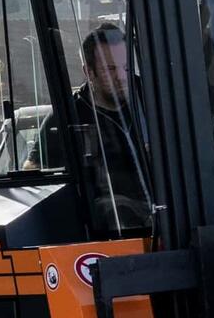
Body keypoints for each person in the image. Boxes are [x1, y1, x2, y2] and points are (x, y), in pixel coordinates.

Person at [37, 22, 153, 228]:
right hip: (104, 225)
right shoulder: (68, 116)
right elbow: (37, 174)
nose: (121, 77)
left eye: (126, 67)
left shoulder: (153, 99)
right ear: (89, 72)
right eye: (110, 69)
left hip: (162, 213)